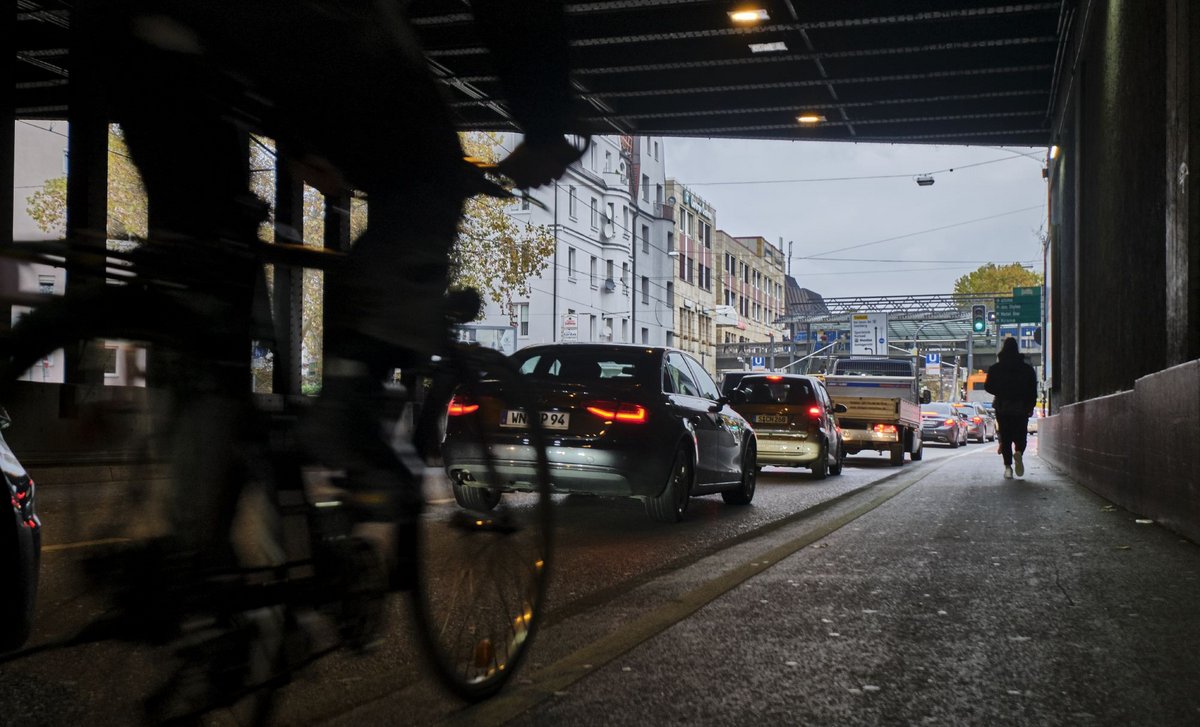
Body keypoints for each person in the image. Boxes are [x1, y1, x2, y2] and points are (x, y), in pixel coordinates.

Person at [78, 1, 583, 577]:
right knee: (430, 179)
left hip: (129, 28)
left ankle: (192, 546)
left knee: (202, 258)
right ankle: (347, 401)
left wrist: (298, 139)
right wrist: (543, 126)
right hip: (304, 22)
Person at [985, 337, 1038, 479]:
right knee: (1021, 435)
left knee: (1006, 437)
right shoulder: (1027, 369)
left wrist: (1001, 391)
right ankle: (1019, 452)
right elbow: (1033, 389)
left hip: (1003, 407)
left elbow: (988, 386)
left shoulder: (996, 369)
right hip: (1021, 407)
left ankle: (1008, 468)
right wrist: (1030, 405)